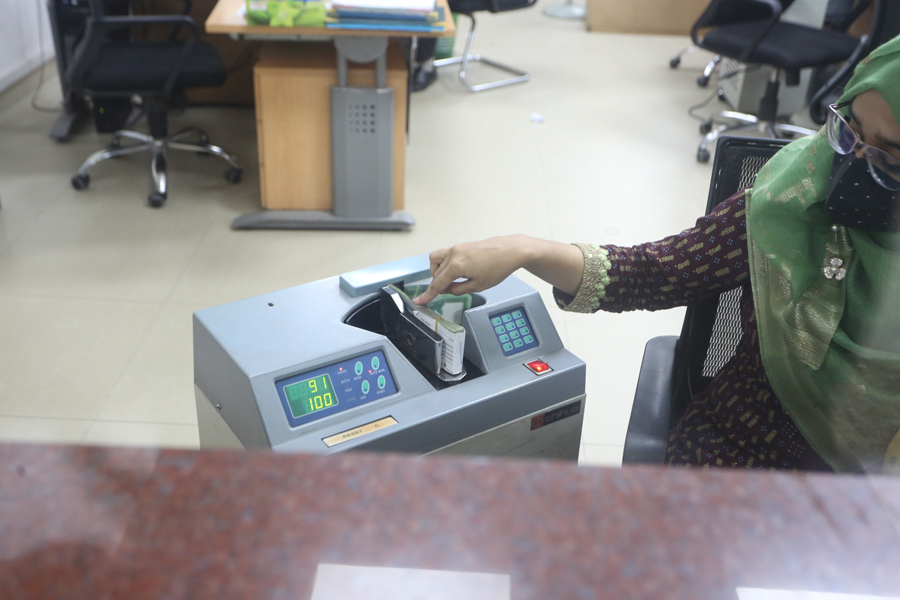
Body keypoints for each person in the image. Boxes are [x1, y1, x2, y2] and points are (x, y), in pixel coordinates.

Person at [413, 35, 900, 474]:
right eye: (850, 128)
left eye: (889, 153)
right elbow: (653, 272)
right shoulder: (794, 197)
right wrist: (525, 249)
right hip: (739, 452)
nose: (854, 161)